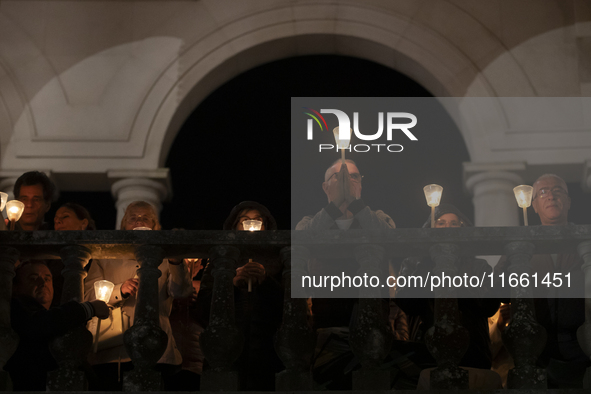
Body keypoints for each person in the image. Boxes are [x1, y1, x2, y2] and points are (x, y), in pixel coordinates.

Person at [296, 159, 395, 390]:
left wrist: (357, 206)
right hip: (328, 325)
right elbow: (305, 239)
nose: (347, 182)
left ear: (361, 184)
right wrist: (334, 207)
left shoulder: (379, 217)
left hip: (373, 324)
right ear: (325, 187)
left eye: (354, 177)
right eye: (338, 178)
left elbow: (390, 238)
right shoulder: (309, 221)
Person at [84, 201, 192, 391]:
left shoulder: (167, 259)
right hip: (112, 353)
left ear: (155, 226)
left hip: (159, 350)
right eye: (132, 218)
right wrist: (118, 290)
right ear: (123, 225)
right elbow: (87, 295)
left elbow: (181, 291)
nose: (138, 222)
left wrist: (176, 262)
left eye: (145, 218)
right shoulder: (105, 256)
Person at [494, 174, 588, 388]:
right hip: (537, 348)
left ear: (569, 201)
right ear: (533, 205)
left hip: (581, 344)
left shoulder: (583, 240)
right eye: (543, 192)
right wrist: (507, 258)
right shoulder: (521, 245)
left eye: (558, 190)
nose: (551, 196)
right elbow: (498, 291)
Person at [395, 204, 500, 372]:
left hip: (472, 351)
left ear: (462, 228)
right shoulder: (415, 263)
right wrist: (425, 264)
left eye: (453, 224)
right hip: (427, 351)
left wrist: (452, 277)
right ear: (430, 229)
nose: (447, 229)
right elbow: (406, 301)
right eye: (441, 223)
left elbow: (488, 306)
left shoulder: (478, 266)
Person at [197, 201, 284, 390]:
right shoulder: (218, 261)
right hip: (225, 349)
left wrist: (265, 281)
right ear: (234, 225)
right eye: (244, 220)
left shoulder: (278, 260)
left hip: (267, 350)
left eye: (257, 220)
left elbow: (288, 307)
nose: (251, 225)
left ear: (266, 226)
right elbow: (203, 308)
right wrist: (231, 283)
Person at [6, 261, 109, 391]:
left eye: (47, 279)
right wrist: (88, 308)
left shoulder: (56, 315)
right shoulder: (16, 308)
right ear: (16, 287)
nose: (42, 283)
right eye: (33, 278)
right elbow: (39, 325)